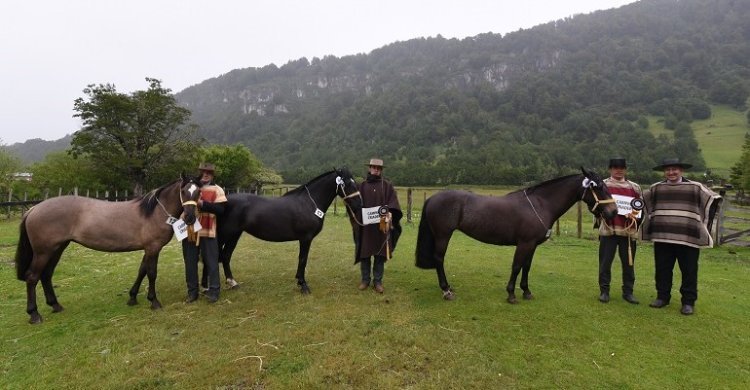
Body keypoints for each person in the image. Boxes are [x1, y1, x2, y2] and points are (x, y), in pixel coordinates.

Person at [641, 158, 722, 315]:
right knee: (662, 269)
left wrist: (702, 224)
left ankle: (688, 302)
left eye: (674, 169)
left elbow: (713, 200)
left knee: (689, 271)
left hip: (688, 237)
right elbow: (642, 203)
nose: (671, 172)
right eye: (668, 170)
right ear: (664, 172)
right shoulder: (656, 188)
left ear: (681, 170)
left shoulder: (695, 187)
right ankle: (662, 297)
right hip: (663, 236)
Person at [352, 158, 402, 293]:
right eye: (374, 167)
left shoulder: (386, 186)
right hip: (366, 227)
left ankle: (378, 281)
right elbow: (355, 205)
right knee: (365, 253)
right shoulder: (361, 186)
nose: (376, 169)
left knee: (380, 254)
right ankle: (365, 280)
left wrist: (390, 213)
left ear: (381, 170)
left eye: (378, 168)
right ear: (369, 168)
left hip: (381, 227)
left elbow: (393, 203)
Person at [597, 158, 642, 304]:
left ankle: (628, 292)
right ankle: (604, 291)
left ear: (625, 169)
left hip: (627, 232)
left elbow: (639, 207)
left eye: (621, 167)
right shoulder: (603, 185)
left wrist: (634, 215)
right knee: (605, 263)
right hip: (608, 230)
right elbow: (597, 205)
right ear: (610, 168)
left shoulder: (634, 187)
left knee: (628, 264)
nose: (618, 170)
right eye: (615, 167)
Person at [182, 162, 227, 303]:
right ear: (199, 173)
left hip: (208, 230)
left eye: (209, 172)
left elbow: (221, 210)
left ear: (212, 175)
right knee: (190, 262)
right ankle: (192, 293)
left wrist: (203, 204)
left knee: (212, 262)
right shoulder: (189, 187)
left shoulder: (217, 190)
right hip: (190, 231)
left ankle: (214, 291)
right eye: (203, 172)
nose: (206, 174)